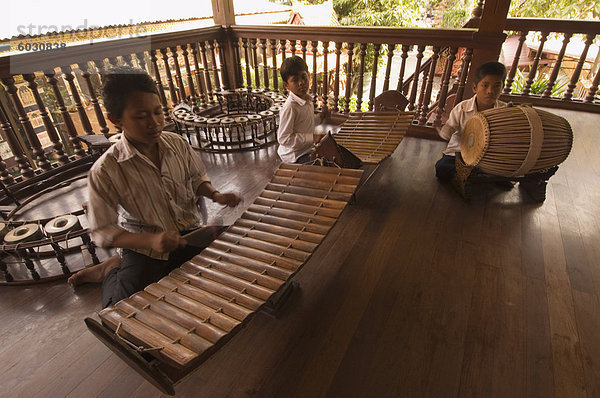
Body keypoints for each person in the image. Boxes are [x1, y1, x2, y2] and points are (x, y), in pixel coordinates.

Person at [67, 66, 241, 308]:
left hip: (190, 235)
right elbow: (102, 231)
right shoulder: (105, 170)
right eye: (141, 116)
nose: (155, 123)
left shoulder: (177, 143)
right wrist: (150, 241)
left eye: (158, 112)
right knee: (119, 310)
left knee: (244, 245)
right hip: (145, 249)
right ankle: (109, 271)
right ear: (116, 120)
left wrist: (216, 194)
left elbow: (195, 178)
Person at [435, 61, 507, 180]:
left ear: (502, 88)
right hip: (460, 155)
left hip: (489, 157)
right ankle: (477, 177)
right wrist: (443, 130)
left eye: (496, 86)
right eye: (485, 85)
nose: (490, 91)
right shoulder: (462, 109)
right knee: (442, 168)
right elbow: (448, 130)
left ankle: (471, 176)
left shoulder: (505, 111)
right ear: (475, 88)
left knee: (506, 170)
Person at [276, 55, 325, 164]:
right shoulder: (290, 107)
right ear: (286, 85)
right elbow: (284, 139)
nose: (301, 82)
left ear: (309, 76)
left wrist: (320, 117)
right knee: (321, 168)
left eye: (303, 76)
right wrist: (311, 137)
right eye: (295, 80)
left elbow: (305, 123)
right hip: (295, 155)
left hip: (307, 149)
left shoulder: (307, 99)